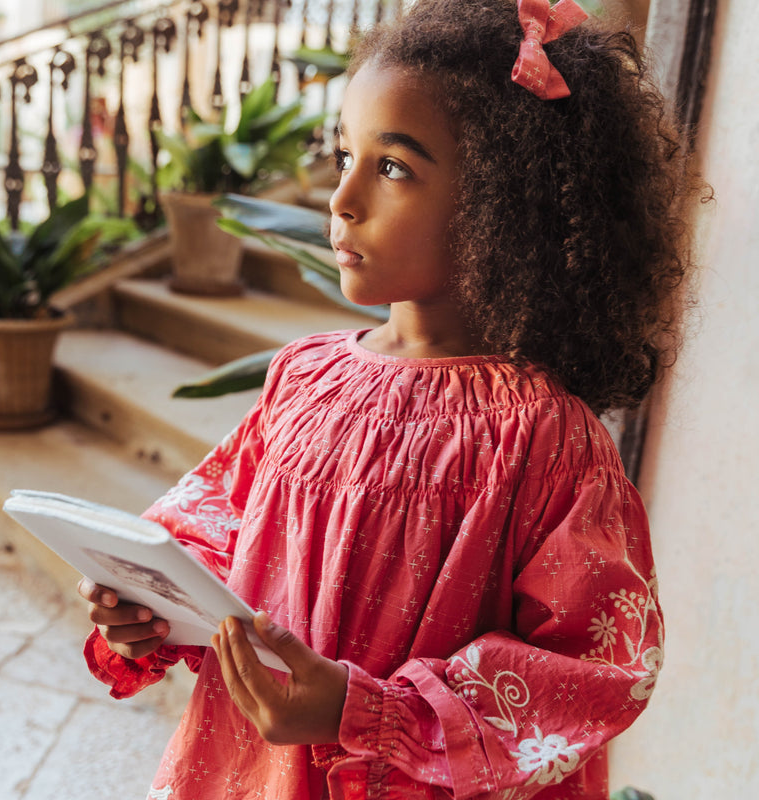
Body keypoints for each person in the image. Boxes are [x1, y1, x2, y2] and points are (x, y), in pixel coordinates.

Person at [80, 0, 700, 797]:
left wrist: (370, 714)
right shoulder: (303, 379)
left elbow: (597, 665)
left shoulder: (545, 440)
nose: (342, 198)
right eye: (344, 155)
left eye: (394, 166)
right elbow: (218, 532)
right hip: (252, 773)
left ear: (499, 206)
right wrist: (150, 604)